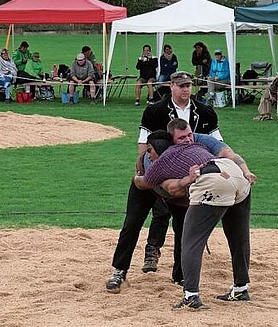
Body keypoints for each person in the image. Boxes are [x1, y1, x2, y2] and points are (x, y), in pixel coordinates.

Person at [105, 71, 221, 293]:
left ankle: (181, 276)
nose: (185, 89)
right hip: (153, 171)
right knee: (132, 222)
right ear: (171, 86)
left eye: (188, 85)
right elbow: (142, 144)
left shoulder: (205, 112)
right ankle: (119, 271)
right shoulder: (155, 110)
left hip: (185, 181)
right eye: (181, 85)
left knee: (183, 227)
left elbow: (217, 145)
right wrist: (143, 167)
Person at [134, 124, 256, 310]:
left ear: (157, 149)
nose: (187, 140)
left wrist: (135, 178)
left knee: (191, 241)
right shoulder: (199, 144)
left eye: (149, 151)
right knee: (239, 236)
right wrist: (246, 172)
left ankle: (191, 295)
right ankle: (241, 287)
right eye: (182, 137)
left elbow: (146, 183)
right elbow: (231, 154)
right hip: (235, 174)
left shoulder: (161, 161)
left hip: (211, 179)